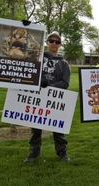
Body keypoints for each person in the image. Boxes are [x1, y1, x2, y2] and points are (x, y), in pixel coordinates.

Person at [24, 31, 71, 163]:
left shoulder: (64, 63)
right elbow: (28, 73)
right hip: (37, 97)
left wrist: (50, 87)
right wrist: (39, 83)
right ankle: (33, 153)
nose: (54, 44)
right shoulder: (37, 58)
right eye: (51, 41)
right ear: (47, 42)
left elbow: (65, 83)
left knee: (58, 128)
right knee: (35, 128)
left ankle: (62, 153)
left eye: (57, 42)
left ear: (60, 44)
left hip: (55, 99)